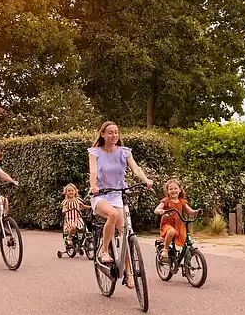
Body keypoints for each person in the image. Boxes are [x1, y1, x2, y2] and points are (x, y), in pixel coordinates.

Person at [88, 121, 154, 289]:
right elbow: (94, 171)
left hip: (118, 193)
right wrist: (93, 186)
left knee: (124, 232)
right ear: (103, 134)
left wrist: (145, 180)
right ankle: (104, 252)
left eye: (116, 132)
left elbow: (136, 168)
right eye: (110, 132)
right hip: (101, 194)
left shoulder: (124, 152)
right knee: (113, 215)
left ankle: (129, 273)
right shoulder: (95, 153)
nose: (114, 135)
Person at [154, 178, 201, 261]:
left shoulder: (182, 201)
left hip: (179, 225)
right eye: (170, 189)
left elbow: (190, 211)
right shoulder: (166, 201)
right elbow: (156, 210)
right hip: (167, 224)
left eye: (175, 188)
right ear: (167, 191)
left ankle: (185, 259)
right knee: (172, 231)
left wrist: (196, 212)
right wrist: (161, 211)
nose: (173, 191)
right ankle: (165, 249)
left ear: (180, 190)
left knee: (186, 239)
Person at [61, 183, 91, 248]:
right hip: (69, 219)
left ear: (75, 191)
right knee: (73, 226)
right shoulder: (66, 201)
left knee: (84, 228)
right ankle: (69, 238)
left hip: (78, 218)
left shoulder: (78, 200)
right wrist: (64, 210)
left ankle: (85, 241)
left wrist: (90, 207)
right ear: (66, 193)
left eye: (72, 190)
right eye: (69, 191)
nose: (71, 192)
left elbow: (83, 206)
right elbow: (64, 208)